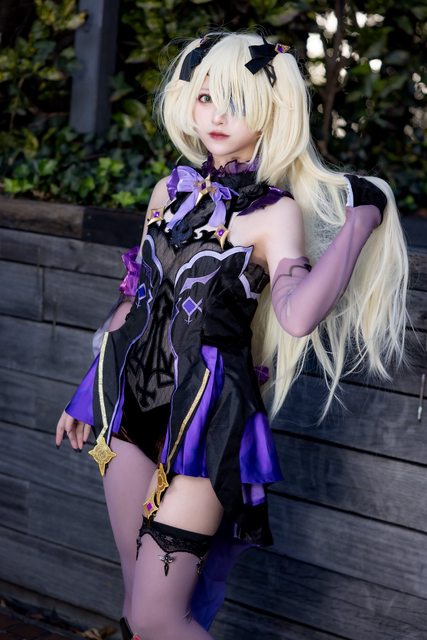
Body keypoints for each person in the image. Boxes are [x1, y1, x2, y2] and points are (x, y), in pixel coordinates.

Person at [55, 31, 408, 640]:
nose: (217, 116)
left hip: (209, 422)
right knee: (137, 607)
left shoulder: (275, 213)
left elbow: (296, 316)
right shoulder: (168, 191)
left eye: (238, 103)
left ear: (272, 112)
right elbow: (136, 299)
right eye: (206, 97)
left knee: (157, 616)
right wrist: (87, 393)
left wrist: (361, 218)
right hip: (128, 404)